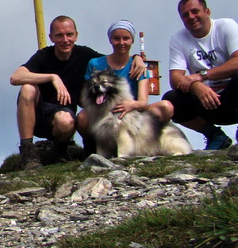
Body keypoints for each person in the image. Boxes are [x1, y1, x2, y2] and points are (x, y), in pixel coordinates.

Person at [10, 15, 146, 168]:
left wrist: (136, 58)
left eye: (69, 34)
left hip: (64, 117)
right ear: (51, 37)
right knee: (28, 88)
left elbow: (113, 60)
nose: (65, 39)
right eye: (59, 35)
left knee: (67, 120)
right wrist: (53, 77)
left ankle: (60, 151)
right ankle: (28, 154)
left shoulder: (84, 55)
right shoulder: (43, 55)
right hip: (38, 113)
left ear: (76, 35)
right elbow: (15, 77)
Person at [163, 0, 238, 149]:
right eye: (185, 14)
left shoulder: (226, 26)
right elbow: (175, 78)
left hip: (236, 100)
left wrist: (201, 76)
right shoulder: (178, 39)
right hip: (206, 102)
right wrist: (197, 86)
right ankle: (214, 136)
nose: (191, 17)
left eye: (195, 11)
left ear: (207, 11)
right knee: (171, 99)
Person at [80, 20, 174, 126]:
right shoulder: (95, 63)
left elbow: (143, 102)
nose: (121, 43)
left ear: (132, 40)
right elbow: (86, 96)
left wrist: (131, 105)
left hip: (133, 112)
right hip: (101, 111)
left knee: (166, 107)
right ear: (110, 40)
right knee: (82, 117)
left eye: (126, 38)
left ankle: (152, 139)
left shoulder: (140, 67)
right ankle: (91, 142)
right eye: (116, 38)